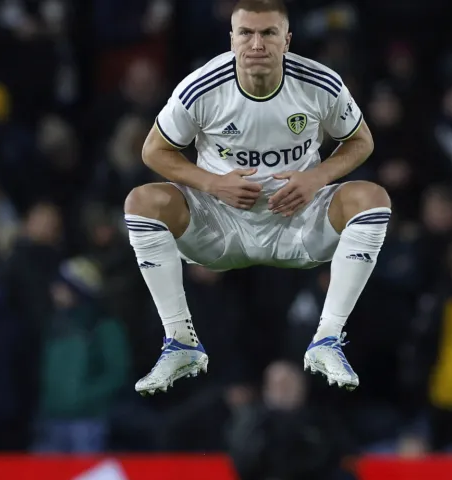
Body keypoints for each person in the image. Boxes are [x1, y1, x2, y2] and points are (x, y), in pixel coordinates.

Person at [127, 0, 391, 394]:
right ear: (231, 39)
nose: (257, 44)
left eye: (268, 33)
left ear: (287, 40)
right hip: (221, 222)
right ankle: (180, 341)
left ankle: (328, 338)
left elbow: (361, 140)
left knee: (372, 198)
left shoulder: (320, 83)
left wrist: (316, 178)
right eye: (246, 33)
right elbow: (153, 150)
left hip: (298, 220)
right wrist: (213, 184)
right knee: (142, 202)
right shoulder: (202, 86)